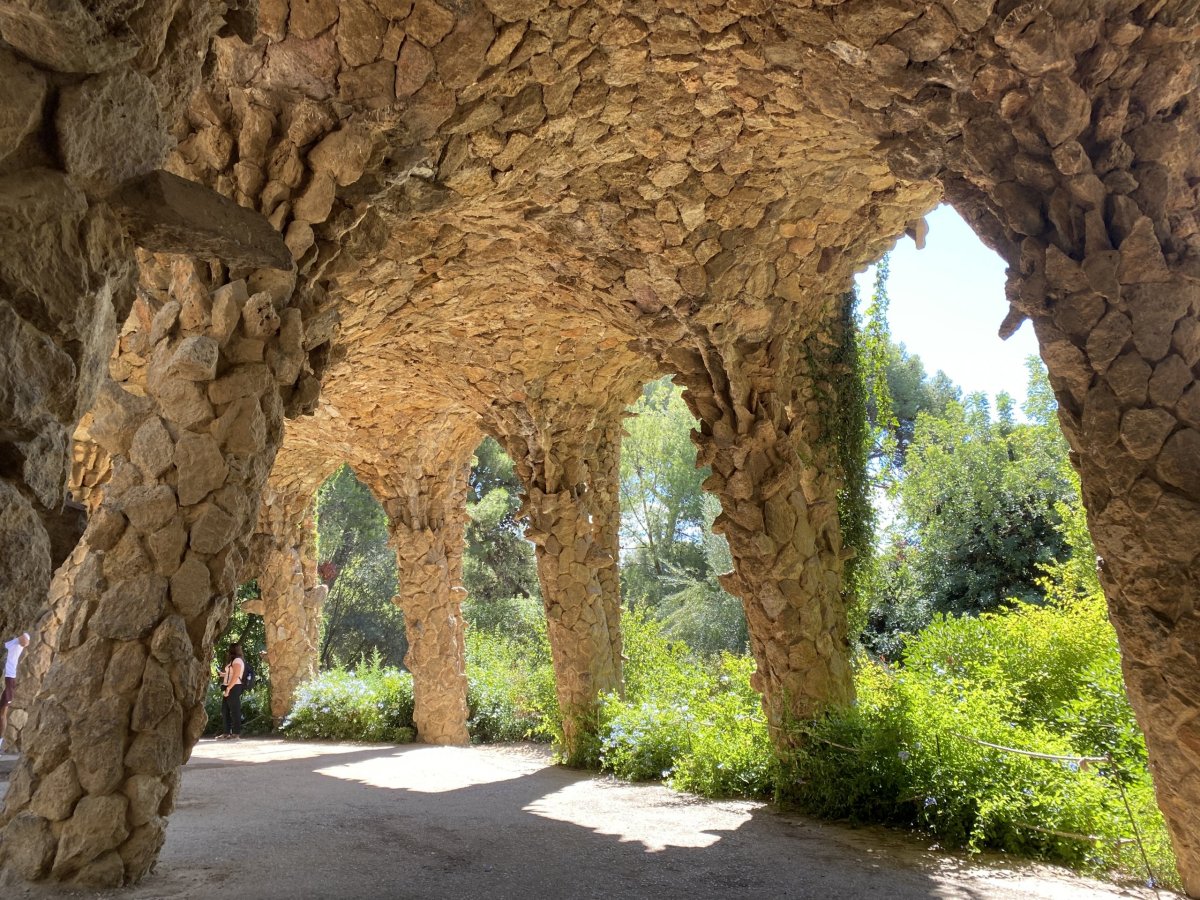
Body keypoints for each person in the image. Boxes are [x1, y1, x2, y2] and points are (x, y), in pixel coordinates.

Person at [0, 633, 31, 753]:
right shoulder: (5, 645)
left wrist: (19, 640)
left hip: (8, 679)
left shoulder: (17, 640)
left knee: (2, 713)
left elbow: (26, 640)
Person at [219, 642, 245, 740]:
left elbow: (236, 675)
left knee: (234, 710)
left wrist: (229, 688)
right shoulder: (233, 661)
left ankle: (236, 733)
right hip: (229, 686)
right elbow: (231, 674)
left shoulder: (237, 660)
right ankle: (226, 733)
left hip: (234, 687)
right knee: (225, 710)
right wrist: (223, 674)